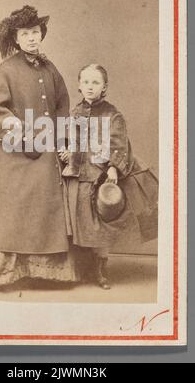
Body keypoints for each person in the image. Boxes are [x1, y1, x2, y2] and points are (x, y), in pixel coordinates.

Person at [0, 5, 79, 287]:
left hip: (44, 145)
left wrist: (59, 140)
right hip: (8, 146)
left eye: (35, 33)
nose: (32, 38)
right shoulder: (6, 70)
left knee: (45, 188)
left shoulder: (50, 68)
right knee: (8, 197)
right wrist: (20, 134)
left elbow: (61, 107)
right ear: (16, 39)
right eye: (25, 34)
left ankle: (39, 269)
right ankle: (0, 271)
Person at [59, 63, 158, 289]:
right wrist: (67, 152)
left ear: (104, 87)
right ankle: (82, 267)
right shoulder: (74, 113)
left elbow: (119, 144)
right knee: (80, 222)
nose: (90, 87)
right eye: (86, 82)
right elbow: (70, 140)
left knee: (100, 225)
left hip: (99, 176)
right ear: (79, 86)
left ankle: (100, 270)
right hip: (77, 176)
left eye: (95, 82)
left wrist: (113, 167)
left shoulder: (113, 115)